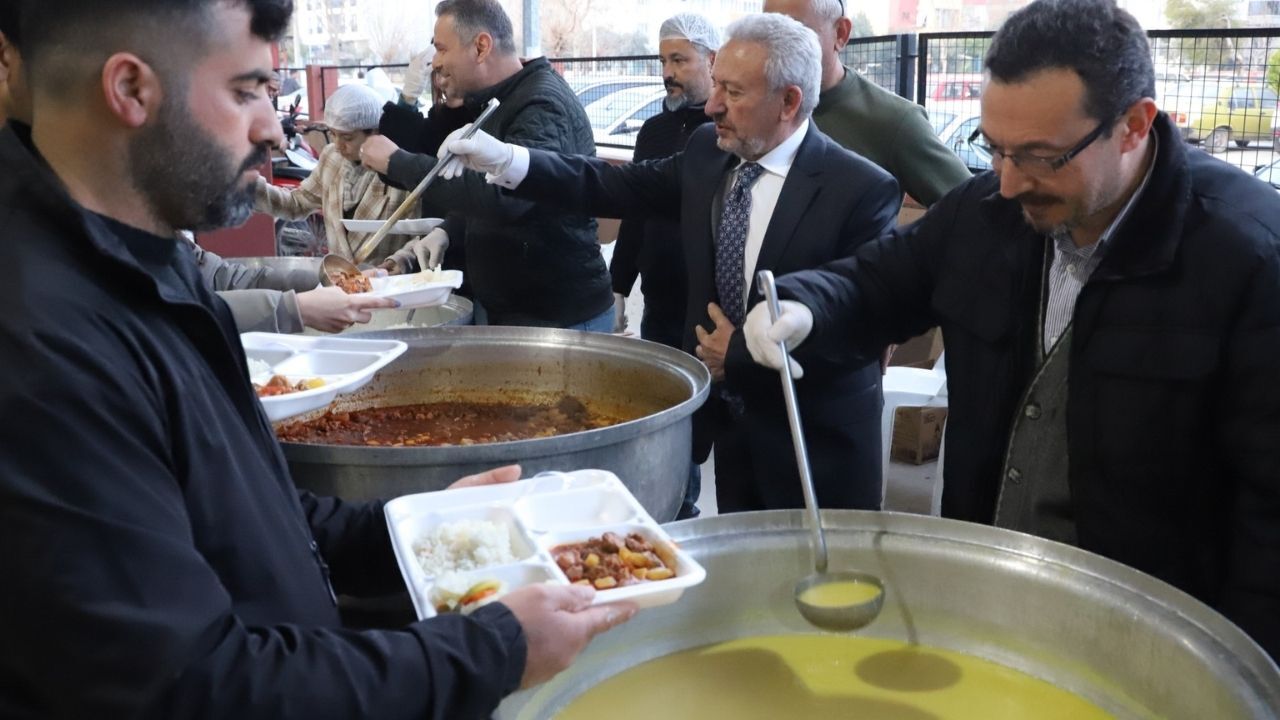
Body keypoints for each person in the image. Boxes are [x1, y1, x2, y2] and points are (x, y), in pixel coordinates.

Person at [0, 2, 635, 718]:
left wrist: (406, 529)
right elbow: (190, 687)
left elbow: (240, 502)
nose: (273, 127)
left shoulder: (150, 256)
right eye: (246, 92)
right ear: (131, 91)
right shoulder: (39, 341)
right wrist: (493, 648)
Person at [744, 0, 1280, 659]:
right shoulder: (987, 213)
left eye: (1040, 156)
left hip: (1143, 630)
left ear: (1135, 126)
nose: (1007, 180)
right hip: (989, 587)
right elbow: (877, 281)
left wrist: (1243, 670)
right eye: (994, 148)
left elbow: (1270, 514)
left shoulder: (1248, 258)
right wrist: (804, 307)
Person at [440, 13, 901, 513]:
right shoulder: (708, 151)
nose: (712, 104)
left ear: (789, 101)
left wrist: (741, 353)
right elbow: (615, 184)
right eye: (716, 84)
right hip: (732, 428)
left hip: (816, 441)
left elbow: (856, 331)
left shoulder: (860, 191)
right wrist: (509, 161)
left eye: (733, 91)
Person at [359, 0, 615, 331]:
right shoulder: (499, 101)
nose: (435, 62)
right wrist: (448, 232)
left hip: (557, 318)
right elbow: (486, 187)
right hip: (508, 310)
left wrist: (398, 162)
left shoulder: (540, 103)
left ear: (481, 46)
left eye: (441, 49)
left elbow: (509, 198)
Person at [607, 12, 719, 520]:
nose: (668, 71)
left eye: (680, 59)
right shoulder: (652, 129)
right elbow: (636, 207)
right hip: (659, 298)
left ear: (712, 61)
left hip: (710, 304)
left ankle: (687, 509)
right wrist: (618, 286)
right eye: (663, 60)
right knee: (660, 411)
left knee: (699, 416)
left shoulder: (725, 132)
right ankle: (667, 507)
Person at [764, 0, 971, 207]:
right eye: (766, 31)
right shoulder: (749, 106)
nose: (775, 47)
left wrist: (908, 239)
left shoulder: (893, 121)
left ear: (841, 33)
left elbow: (975, 210)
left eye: (795, 32)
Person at [255, 82, 413, 264]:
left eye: (347, 138)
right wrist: (249, 187)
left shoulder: (398, 170)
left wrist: (398, 262)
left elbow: (422, 236)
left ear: (375, 133)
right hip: (339, 286)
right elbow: (296, 204)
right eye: (333, 134)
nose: (338, 145)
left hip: (389, 285)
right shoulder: (332, 157)